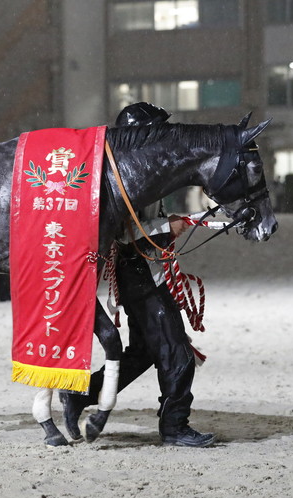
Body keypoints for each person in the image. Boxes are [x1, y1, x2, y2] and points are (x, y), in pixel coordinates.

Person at [59, 102, 214, 447]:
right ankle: (174, 426)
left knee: (144, 352)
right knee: (177, 353)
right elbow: (125, 233)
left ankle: (81, 394)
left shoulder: (142, 173)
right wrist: (167, 227)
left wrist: (168, 225)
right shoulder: (125, 178)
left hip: (143, 274)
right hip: (139, 276)